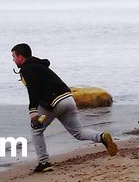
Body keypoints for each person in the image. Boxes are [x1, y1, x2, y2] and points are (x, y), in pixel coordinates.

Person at [11, 43, 117, 173]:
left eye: (14, 56)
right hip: (68, 99)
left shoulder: (28, 69)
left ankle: (44, 163)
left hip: (54, 102)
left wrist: (33, 112)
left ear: (21, 57)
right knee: (78, 132)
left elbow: (33, 90)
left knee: (36, 130)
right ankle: (101, 137)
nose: (13, 60)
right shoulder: (39, 65)